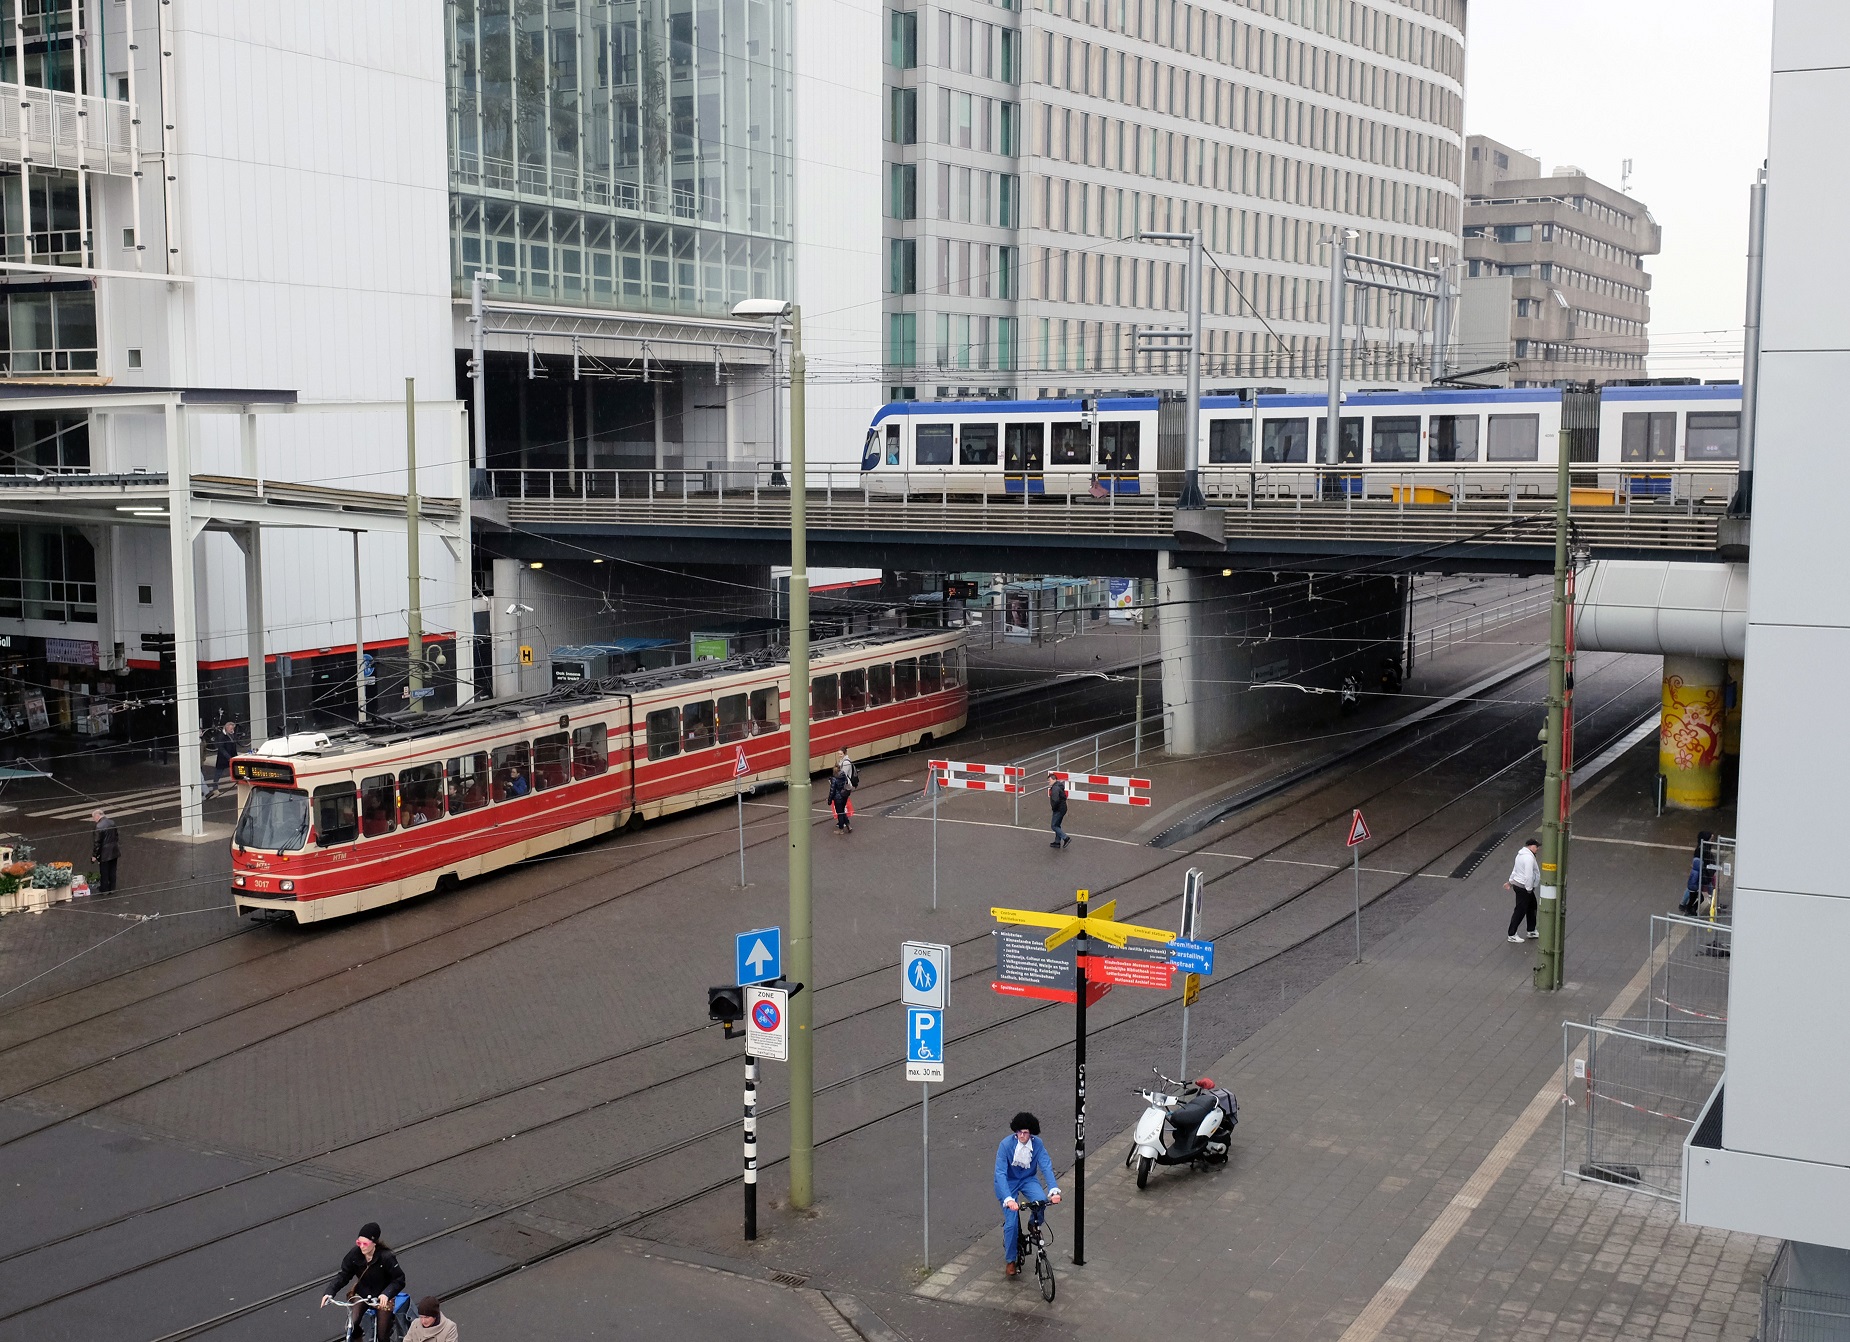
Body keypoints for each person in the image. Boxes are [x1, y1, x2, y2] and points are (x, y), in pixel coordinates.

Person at [993, 1112, 1062, 1277]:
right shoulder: (1005, 1145)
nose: (1022, 1136)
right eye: (1019, 1132)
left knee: (1040, 1201)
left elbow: (1045, 1165)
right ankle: (1010, 1260)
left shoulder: (1037, 1144)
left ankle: (1033, 1224)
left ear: (1031, 1133)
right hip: (1008, 1182)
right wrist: (1008, 1199)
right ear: (1015, 1132)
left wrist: (1053, 1189)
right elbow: (1000, 1173)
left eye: (1026, 1132)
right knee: (1011, 1224)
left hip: (1027, 1179)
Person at [324, 1221, 407, 1342]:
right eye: (359, 1243)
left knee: (382, 1336)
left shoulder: (386, 1257)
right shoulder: (354, 1255)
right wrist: (330, 1292)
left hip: (383, 1296)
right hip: (362, 1293)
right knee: (351, 1326)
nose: (361, 1246)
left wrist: (386, 1294)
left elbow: (399, 1279)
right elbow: (344, 1275)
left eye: (365, 1243)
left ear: (374, 1243)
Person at [1504, 837, 1541, 943]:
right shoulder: (1529, 858)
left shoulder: (1520, 855)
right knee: (1520, 910)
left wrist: (1510, 882)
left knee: (1532, 906)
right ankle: (1512, 934)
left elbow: (1515, 869)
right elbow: (1528, 875)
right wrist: (1529, 889)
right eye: (1536, 846)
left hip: (1519, 885)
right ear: (1530, 846)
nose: (1537, 848)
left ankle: (1531, 930)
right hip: (1524, 887)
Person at [91, 809, 119, 895]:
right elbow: (116, 836)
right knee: (113, 870)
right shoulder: (112, 822)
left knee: (104, 871)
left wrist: (94, 855)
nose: (93, 820)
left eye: (93, 817)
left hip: (104, 853)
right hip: (114, 850)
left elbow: (97, 843)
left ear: (97, 816)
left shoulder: (99, 826)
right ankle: (112, 888)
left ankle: (104, 889)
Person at [208, 718, 239, 796]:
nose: (232, 730)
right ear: (227, 727)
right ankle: (215, 788)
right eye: (231, 728)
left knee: (236, 770)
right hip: (223, 758)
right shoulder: (222, 736)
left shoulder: (232, 735)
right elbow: (221, 748)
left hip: (231, 757)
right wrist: (228, 757)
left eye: (233, 728)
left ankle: (239, 784)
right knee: (218, 773)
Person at [827, 764, 853, 834]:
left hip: (838, 798)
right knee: (842, 811)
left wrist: (829, 800)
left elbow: (832, 791)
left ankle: (841, 829)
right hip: (844, 796)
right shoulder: (843, 775)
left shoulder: (834, 779)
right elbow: (846, 783)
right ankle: (848, 825)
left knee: (840, 813)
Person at [1048, 775, 1069, 849]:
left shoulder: (1055, 788)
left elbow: (1055, 800)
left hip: (1058, 809)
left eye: (1049, 780)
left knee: (1054, 826)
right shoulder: (1059, 786)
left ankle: (1065, 838)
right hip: (1062, 808)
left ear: (1054, 779)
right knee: (1057, 825)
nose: (1049, 782)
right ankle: (1057, 842)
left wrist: (1054, 807)